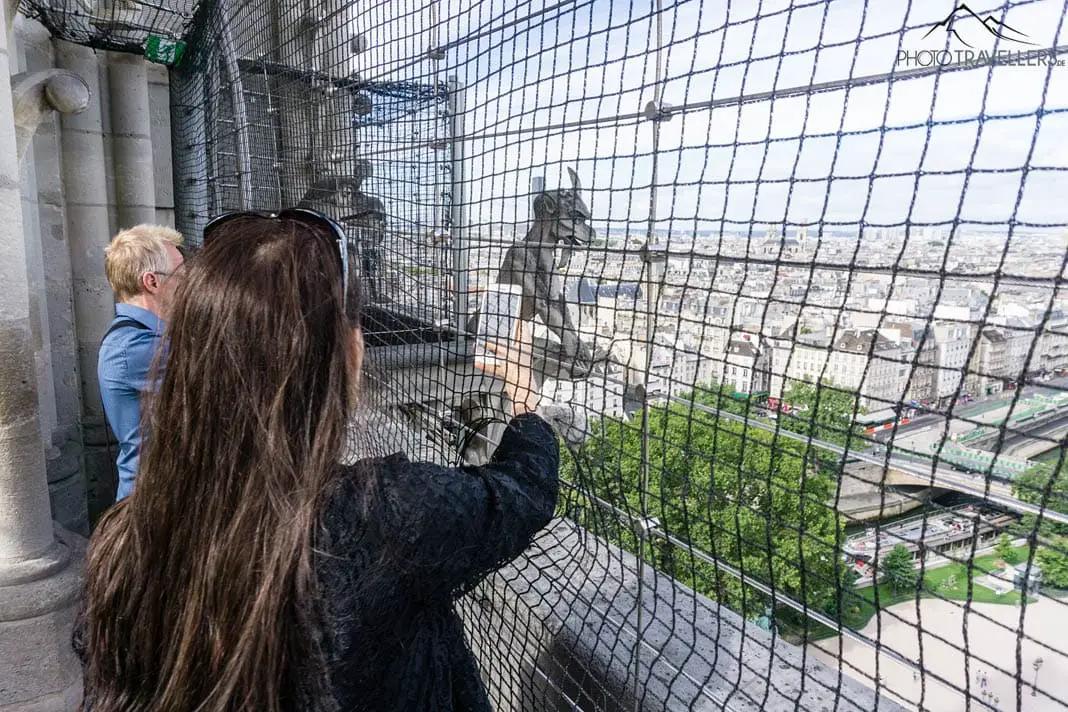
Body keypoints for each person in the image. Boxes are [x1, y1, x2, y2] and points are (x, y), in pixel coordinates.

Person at [75, 210, 559, 712]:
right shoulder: (384, 515)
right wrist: (524, 396)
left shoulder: (119, 544)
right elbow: (523, 490)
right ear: (349, 352)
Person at [97, 224, 185, 501]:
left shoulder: (146, 336)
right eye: (182, 274)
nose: (189, 283)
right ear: (152, 282)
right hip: (154, 502)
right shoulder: (134, 346)